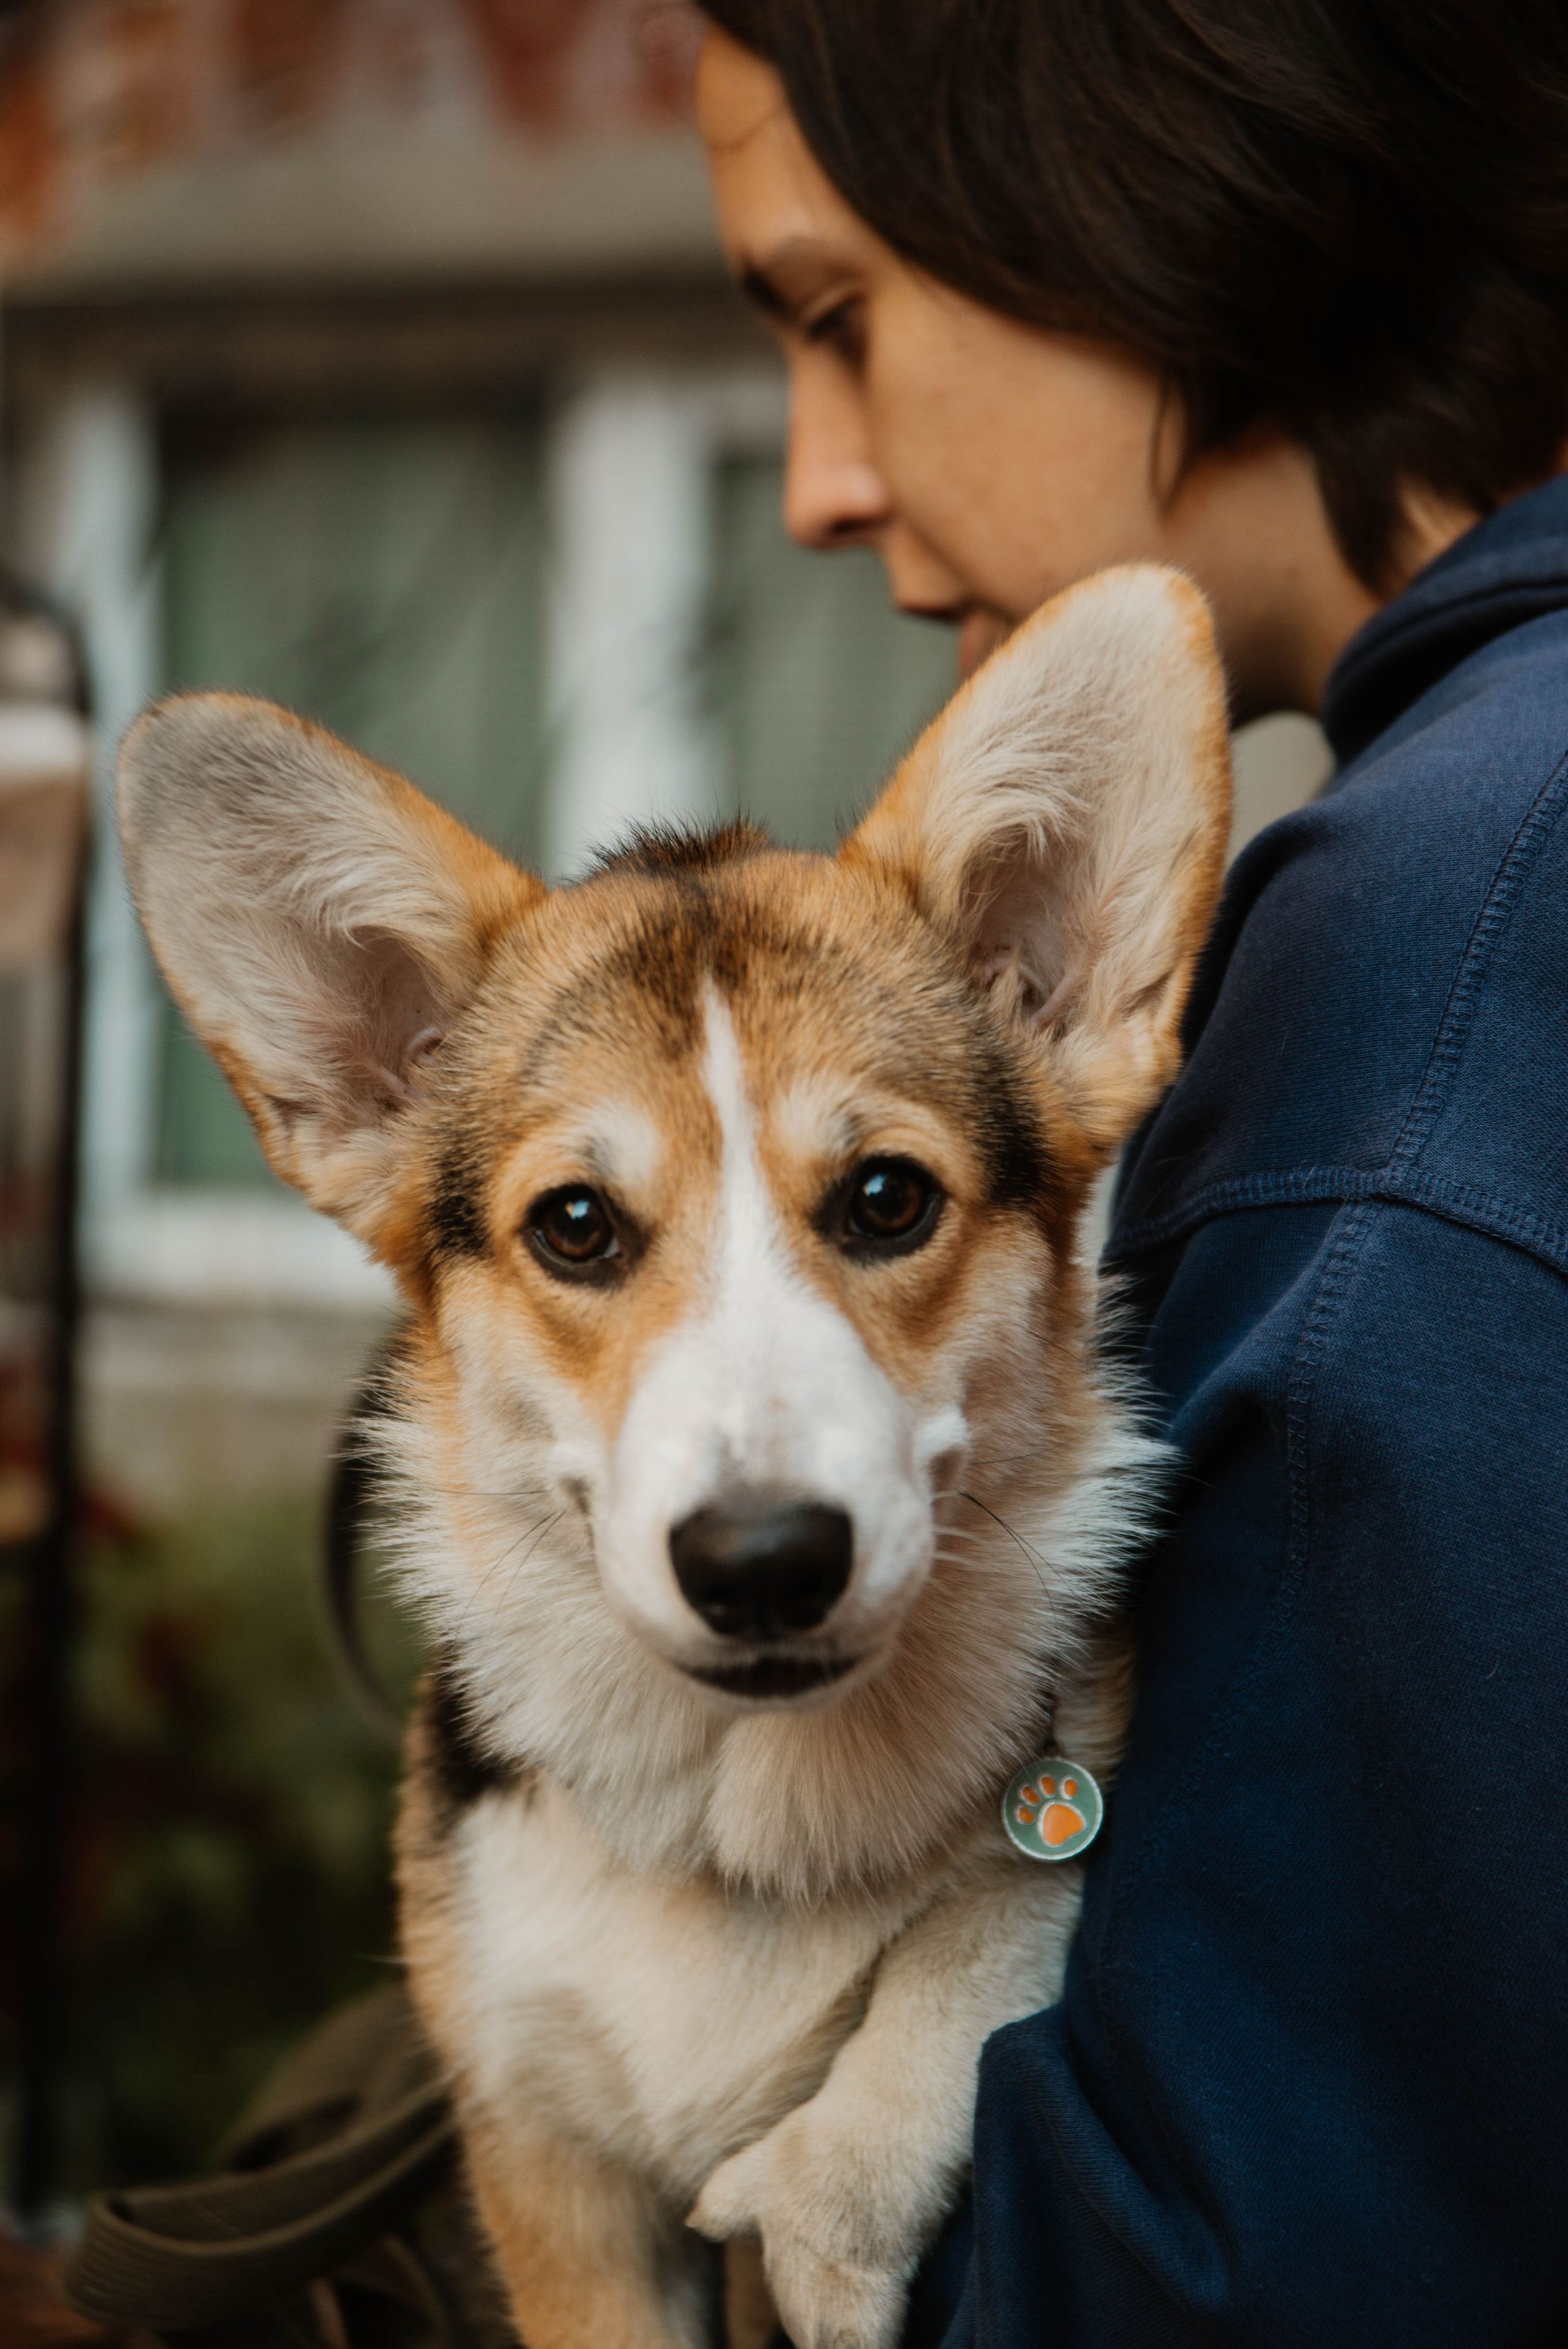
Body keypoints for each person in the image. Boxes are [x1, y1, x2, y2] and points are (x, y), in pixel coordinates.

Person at [693, 5, 1568, 2343]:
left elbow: (1258, 2247)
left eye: (841, 319)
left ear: (1144, 160)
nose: (820, 477)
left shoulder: (1453, 933)